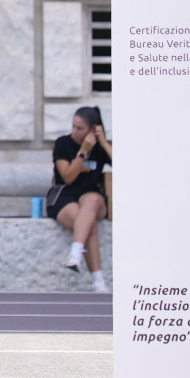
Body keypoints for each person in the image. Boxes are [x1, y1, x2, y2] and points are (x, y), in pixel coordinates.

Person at [49, 105, 113, 294]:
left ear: (92, 130)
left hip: (92, 197)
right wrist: (83, 152)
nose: (74, 132)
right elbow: (68, 177)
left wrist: (103, 143)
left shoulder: (100, 148)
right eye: (73, 126)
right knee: (87, 222)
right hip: (64, 196)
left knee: (91, 202)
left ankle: (75, 253)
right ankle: (98, 282)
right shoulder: (63, 144)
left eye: (80, 128)